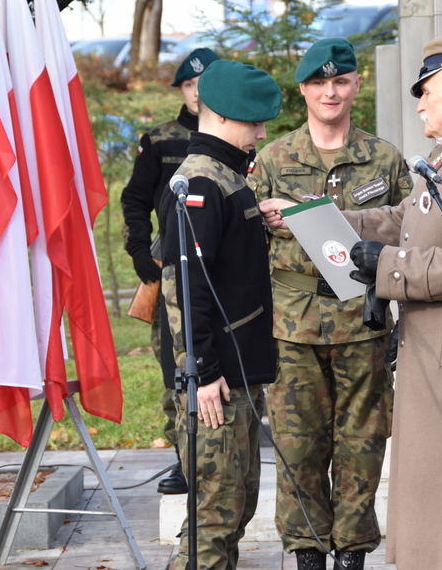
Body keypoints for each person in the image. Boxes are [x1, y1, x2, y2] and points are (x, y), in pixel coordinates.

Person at [261, 35, 442, 570]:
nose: (419, 103)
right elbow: (400, 222)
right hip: (440, 347)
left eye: (428, 91)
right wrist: (311, 217)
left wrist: (381, 265)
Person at [247, 38, 412, 570]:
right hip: (292, 325)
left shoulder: (383, 159)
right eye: (319, 83)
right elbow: (247, 246)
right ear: (303, 90)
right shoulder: (272, 160)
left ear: (356, 85)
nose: (330, 92)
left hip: (361, 323)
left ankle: (352, 553)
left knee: (361, 444)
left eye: (340, 81)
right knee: (298, 447)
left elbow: (411, 233)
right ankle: (307, 553)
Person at [160, 59, 281, 570]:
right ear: (227, 118)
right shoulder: (202, 183)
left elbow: (227, 267)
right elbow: (185, 287)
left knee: (234, 508)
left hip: (237, 374)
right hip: (215, 382)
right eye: (254, 122)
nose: (261, 131)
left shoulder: (227, 176)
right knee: (214, 515)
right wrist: (202, 372)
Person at [121, 47, 219, 494]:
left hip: (221, 267)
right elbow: (135, 200)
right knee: (174, 367)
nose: (198, 93)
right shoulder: (160, 139)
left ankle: (224, 454)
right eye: (189, 85)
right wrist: (141, 253)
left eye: (206, 82)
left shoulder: (235, 135)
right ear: (181, 89)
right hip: (170, 265)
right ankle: (184, 458)